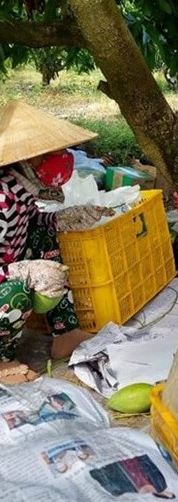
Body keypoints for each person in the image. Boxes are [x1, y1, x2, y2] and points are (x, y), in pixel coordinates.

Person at [0, 100, 97, 360]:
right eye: (47, 154)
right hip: (4, 278)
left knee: (43, 237)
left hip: (7, 266)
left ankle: (66, 334)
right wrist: (21, 271)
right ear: (26, 158)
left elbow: (32, 223)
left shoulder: (20, 190)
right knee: (16, 294)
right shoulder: (2, 200)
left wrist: (62, 219)